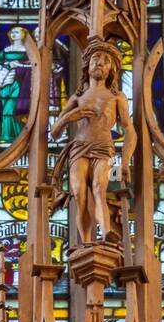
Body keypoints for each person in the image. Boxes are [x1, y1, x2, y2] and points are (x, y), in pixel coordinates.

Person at [50, 41, 136, 243]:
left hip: (104, 148)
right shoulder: (78, 96)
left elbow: (129, 129)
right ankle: (86, 243)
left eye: (106, 61)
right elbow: (54, 132)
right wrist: (70, 116)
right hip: (79, 147)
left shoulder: (117, 97)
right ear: (87, 65)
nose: (100, 63)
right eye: (96, 59)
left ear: (111, 70)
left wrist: (125, 162)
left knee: (99, 188)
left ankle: (106, 232)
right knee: (79, 193)